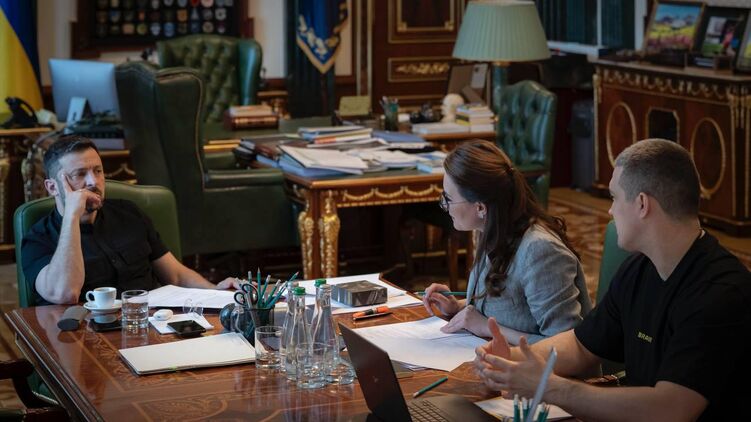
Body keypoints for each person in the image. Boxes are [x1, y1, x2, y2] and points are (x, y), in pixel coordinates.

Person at [474, 139, 751, 421]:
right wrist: (511, 360)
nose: (610, 211)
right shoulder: (639, 268)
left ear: (642, 204)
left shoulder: (721, 293)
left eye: (614, 198)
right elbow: (581, 346)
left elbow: (671, 409)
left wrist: (548, 387)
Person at [21, 135, 241, 305]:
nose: (93, 182)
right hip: (84, 338)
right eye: (79, 174)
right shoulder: (37, 238)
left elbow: (176, 275)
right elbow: (65, 294)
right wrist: (72, 215)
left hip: (152, 325)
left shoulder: (129, 213)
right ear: (52, 187)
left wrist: (216, 291)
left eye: (98, 171)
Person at [422, 140, 591, 343]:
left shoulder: (540, 251)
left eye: (448, 199)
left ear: (480, 208)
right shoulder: (492, 229)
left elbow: (567, 346)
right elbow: (508, 308)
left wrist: (487, 327)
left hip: (534, 364)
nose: (444, 206)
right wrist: (457, 306)